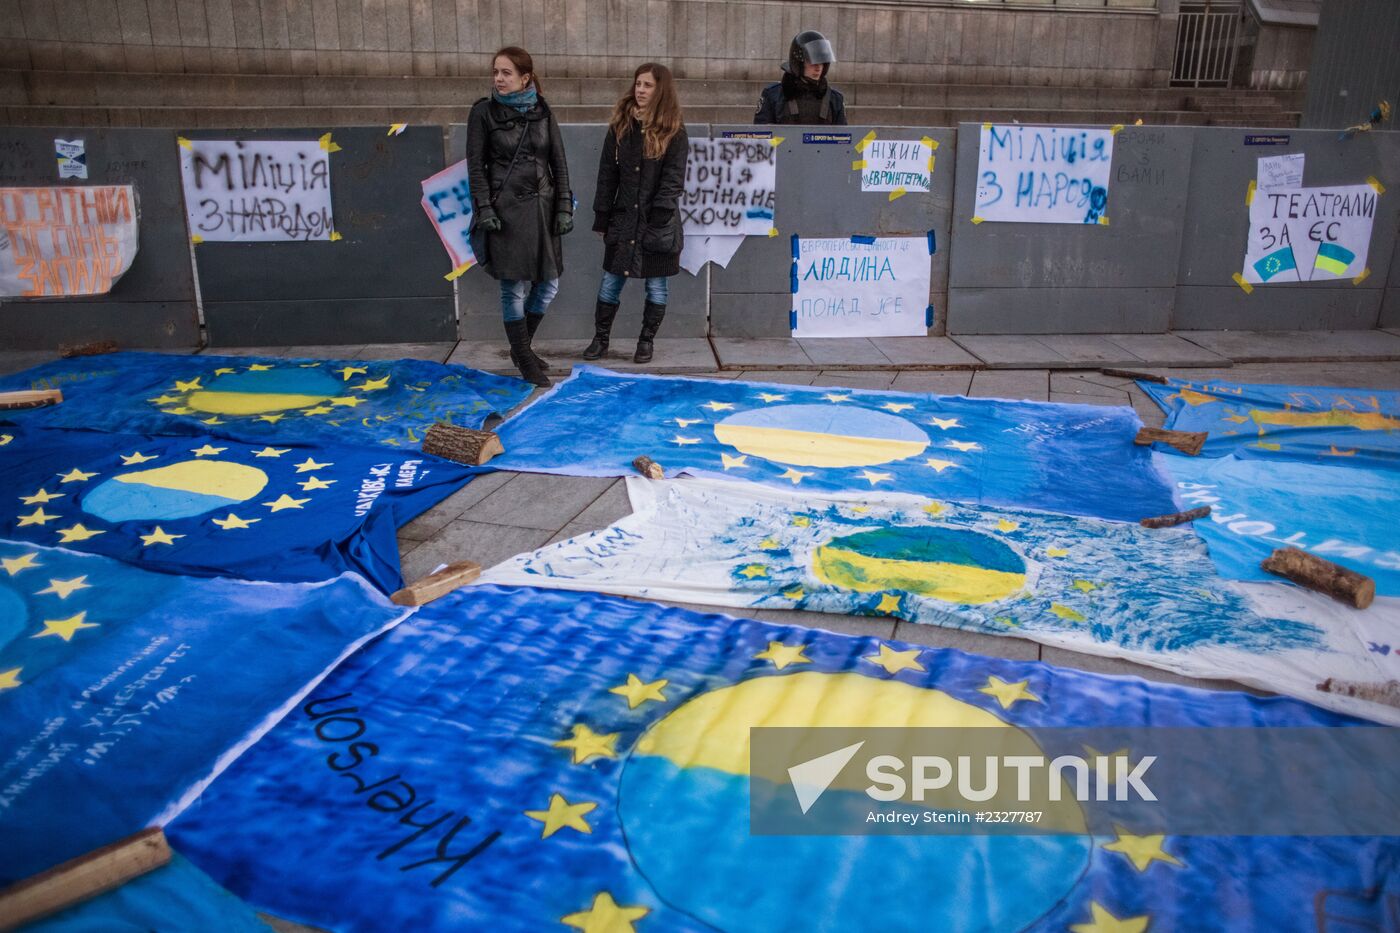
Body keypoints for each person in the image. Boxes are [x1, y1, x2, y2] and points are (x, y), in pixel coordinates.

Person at [466, 46, 573, 388]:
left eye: (506, 73)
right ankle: (524, 357)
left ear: (525, 77)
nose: (498, 78)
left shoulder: (543, 110)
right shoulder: (483, 113)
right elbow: (476, 167)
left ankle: (520, 347)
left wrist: (564, 206)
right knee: (513, 288)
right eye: (495, 72)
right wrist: (484, 208)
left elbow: (559, 162)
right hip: (506, 213)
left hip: (543, 211)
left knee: (549, 285)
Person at [586, 63, 689, 364]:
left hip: (659, 223)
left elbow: (673, 179)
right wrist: (602, 216)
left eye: (648, 85)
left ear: (661, 91)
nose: (640, 90)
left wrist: (658, 218)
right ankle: (600, 339)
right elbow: (607, 175)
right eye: (638, 84)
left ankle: (646, 342)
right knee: (610, 282)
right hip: (623, 220)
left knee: (657, 284)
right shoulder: (621, 126)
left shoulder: (674, 131)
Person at [754, 30, 847, 126]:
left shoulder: (834, 99)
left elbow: (845, 138)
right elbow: (761, 136)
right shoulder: (773, 96)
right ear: (799, 63)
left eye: (822, 62)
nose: (818, 68)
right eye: (812, 61)